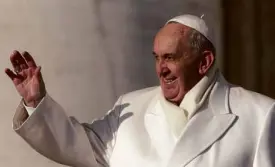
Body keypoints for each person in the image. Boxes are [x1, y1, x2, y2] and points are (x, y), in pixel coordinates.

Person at [5, 14, 275, 167]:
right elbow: (75, 145)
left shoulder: (258, 115)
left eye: (170, 57)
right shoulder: (132, 108)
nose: (161, 69)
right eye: (156, 58)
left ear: (204, 62)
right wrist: (36, 101)